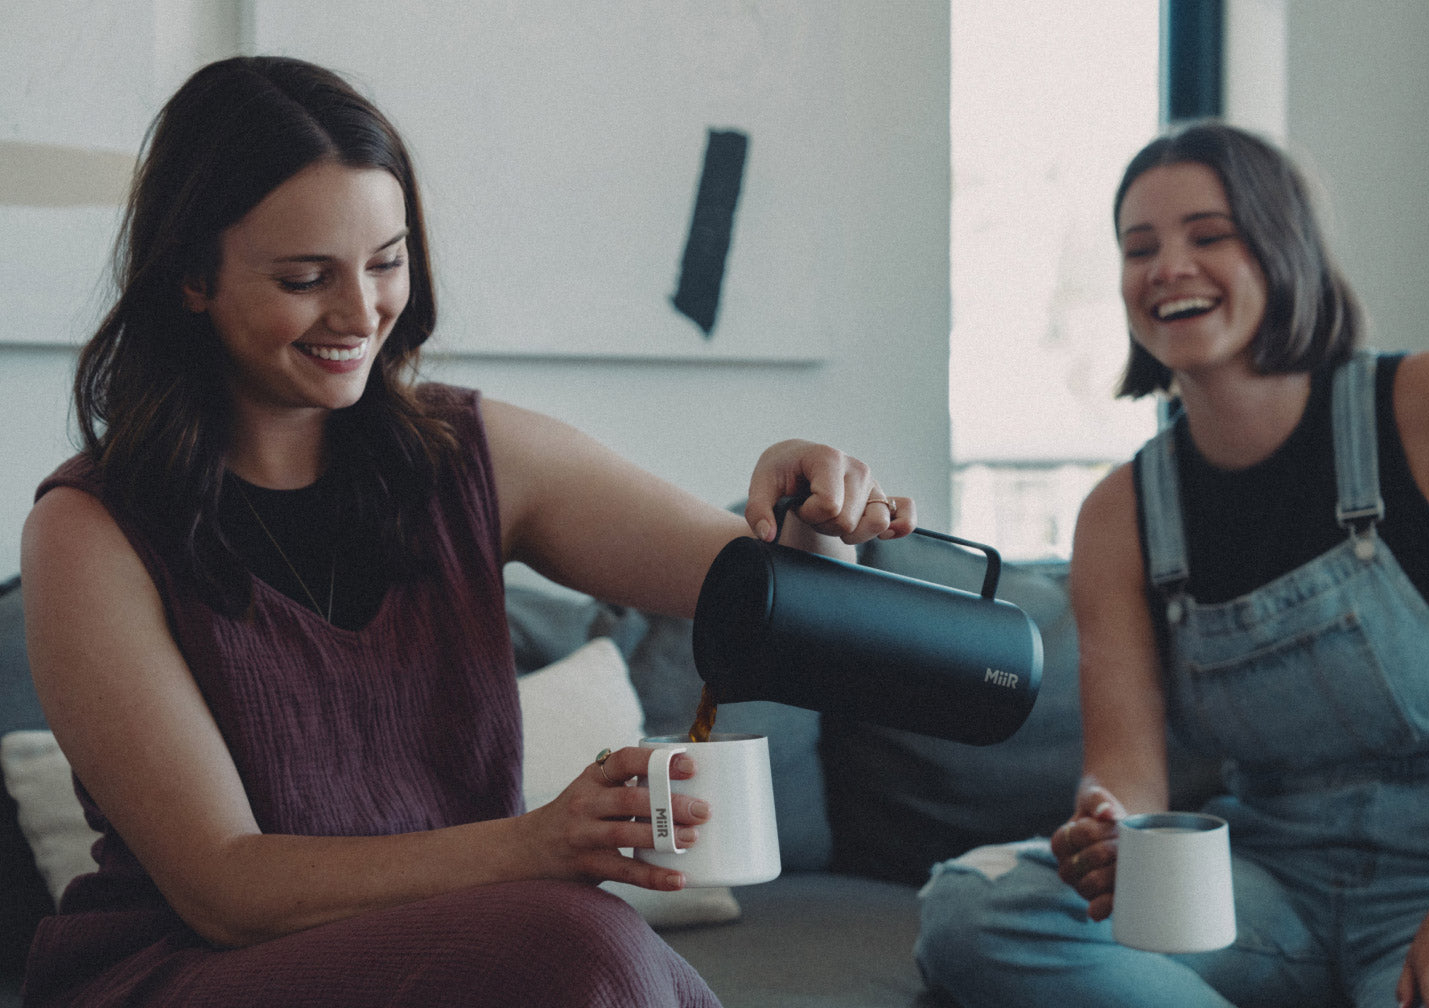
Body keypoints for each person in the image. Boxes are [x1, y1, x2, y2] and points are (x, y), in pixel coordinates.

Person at [18, 55, 915, 1008]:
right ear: (194, 276)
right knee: (576, 945)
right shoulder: (90, 531)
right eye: (305, 276)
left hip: (464, 956)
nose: (361, 313)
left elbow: (777, 599)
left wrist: (811, 509)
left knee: (578, 946)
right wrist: (537, 842)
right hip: (192, 971)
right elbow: (227, 890)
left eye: (387, 260)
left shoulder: (468, 455)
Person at [914, 120, 1429, 1008]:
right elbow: (1127, 767)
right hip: (1263, 887)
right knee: (976, 910)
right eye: (1138, 247)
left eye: (1209, 235)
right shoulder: (1118, 514)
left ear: (1282, 246)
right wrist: (1108, 819)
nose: (1167, 268)